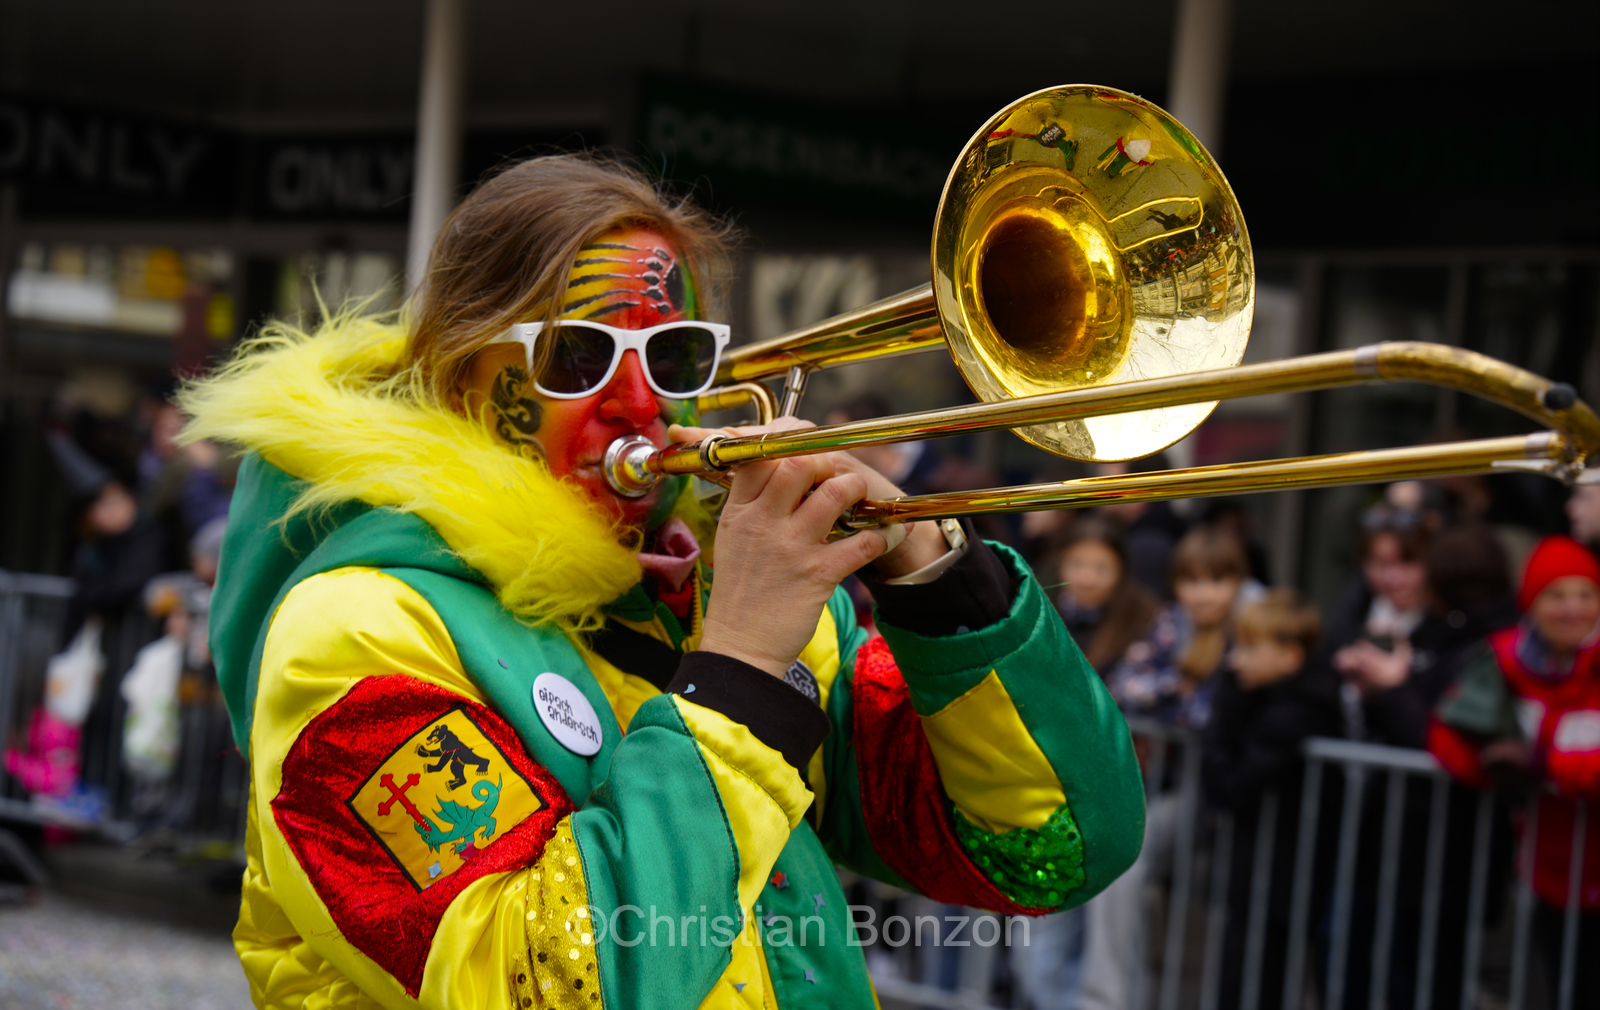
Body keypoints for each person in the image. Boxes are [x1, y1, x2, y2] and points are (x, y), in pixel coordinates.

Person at [179, 154, 1144, 1009]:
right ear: (465, 376)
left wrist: (937, 575)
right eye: (578, 357)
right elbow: (545, 986)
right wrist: (736, 677)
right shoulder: (356, 627)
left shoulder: (711, 601)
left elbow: (1051, 847)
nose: (640, 405)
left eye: (674, 355)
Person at [1078, 527, 1250, 1010]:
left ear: (1237, 583)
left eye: (1216, 580)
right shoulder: (1171, 624)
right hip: (1164, 786)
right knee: (1116, 866)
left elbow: (1215, 714)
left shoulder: (1251, 625)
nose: (1203, 593)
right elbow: (1127, 686)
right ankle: (1107, 998)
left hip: (1217, 794)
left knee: (1127, 868)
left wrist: (1174, 697)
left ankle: (1108, 1001)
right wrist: (1183, 687)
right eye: (1191, 581)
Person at [1430, 535, 1600, 1007]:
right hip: (1549, 872)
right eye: (1558, 596)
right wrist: (1489, 767)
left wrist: (1544, 767)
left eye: (1587, 595)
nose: (1573, 610)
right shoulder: (1504, 659)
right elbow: (1445, 732)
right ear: (1532, 603)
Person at [1204, 590, 1341, 1010]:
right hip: (1265, 873)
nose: (1234, 661)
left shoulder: (1294, 712)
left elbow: (1232, 785)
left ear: (1289, 656)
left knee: (1257, 982)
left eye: (1249, 648)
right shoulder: (1270, 703)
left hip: (1281, 878)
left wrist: (1225, 708)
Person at [1042, 515, 1161, 678]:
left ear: (1121, 572)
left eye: (1102, 569)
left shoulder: (1145, 619)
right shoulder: (1039, 609)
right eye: (1076, 565)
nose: (1087, 580)